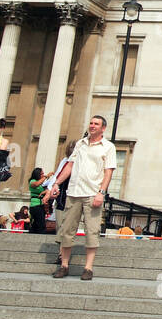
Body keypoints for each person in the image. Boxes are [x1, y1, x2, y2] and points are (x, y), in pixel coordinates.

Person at [46, 114, 117, 281]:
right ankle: (64, 265)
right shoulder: (80, 144)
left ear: (103, 128)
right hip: (74, 192)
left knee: (91, 231)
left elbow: (109, 172)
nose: (92, 126)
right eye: (91, 123)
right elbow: (70, 166)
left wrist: (102, 192)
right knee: (67, 230)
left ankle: (88, 268)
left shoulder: (108, 147)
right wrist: (56, 183)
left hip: (93, 194)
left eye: (96, 124)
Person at [27, 167, 49, 235]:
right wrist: (45, 177)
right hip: (35, 205)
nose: (43, 175)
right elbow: (36, 184)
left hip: (40, 205)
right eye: (41, 174)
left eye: (43, 174)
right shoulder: (32, 181)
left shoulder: (41, 185)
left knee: (39, 223)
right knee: (39, 224)